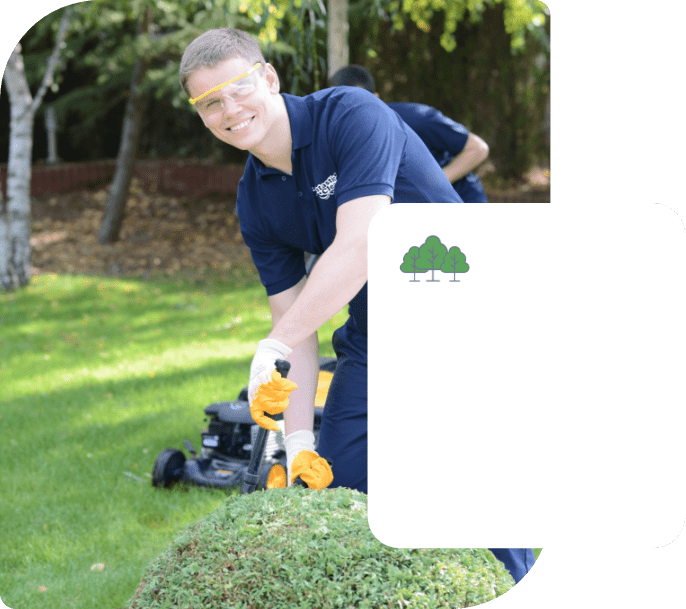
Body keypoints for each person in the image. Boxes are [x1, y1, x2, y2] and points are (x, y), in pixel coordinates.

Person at [179, 28, 533, 584]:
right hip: (376, 332)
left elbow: (365, 243)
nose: (229, 109)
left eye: (238, 87)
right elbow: (292, 322)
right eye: (210, 103)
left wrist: (270, 346)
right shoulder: (255, 196)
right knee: (341, 482)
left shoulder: (351, 113)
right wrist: (296, 445)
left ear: (268, 77)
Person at [329, 65, 490, 203]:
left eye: (359, 104)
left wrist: (433, 184)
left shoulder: (416, 119)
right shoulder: (343, 143)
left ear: (376, 99)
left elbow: (477, 148)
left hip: (464, 203)